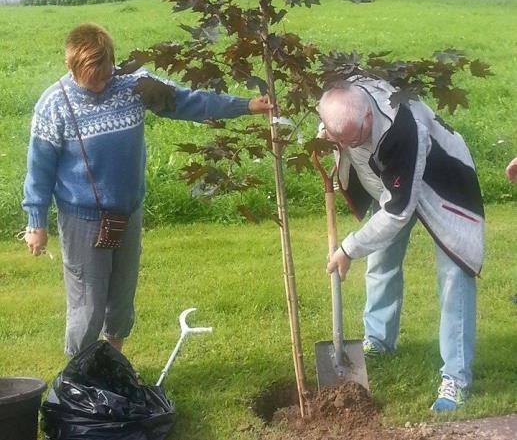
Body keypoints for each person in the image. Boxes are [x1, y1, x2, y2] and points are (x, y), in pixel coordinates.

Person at [23, 23, 271, 356]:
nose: (99, 84)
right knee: (88, 304)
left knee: (121, 302)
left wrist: (246, 106)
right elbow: (39, 168)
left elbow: (187, 101)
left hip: (128, 212)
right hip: (82, 220)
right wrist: (35, 223)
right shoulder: (54, 105)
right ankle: (78, 378)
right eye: (90, 78)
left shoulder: (135, 85)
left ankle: (113, 364)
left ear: (113, 60)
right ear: (71, 67)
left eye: (104, 74)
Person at [319, 76, 484, 412]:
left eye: (353, 138)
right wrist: (332, 140)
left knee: (454, 275)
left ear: (368, 118)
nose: (348, 144)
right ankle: (378, 340)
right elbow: (385, 189)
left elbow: (397, 212)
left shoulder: (401, 129)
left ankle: (456, 377)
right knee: (381, 258)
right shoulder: (344, 98)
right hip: (394, 184)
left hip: (444, 183)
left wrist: (349, 248)